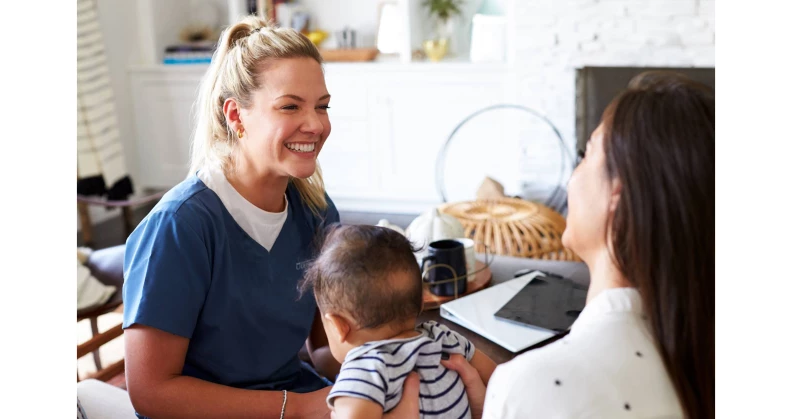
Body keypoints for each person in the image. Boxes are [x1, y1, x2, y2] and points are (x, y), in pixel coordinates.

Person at [121, 16, 418, 419]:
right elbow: (151, 392)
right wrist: (295, 408)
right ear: (236, 116)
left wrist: (395, 361)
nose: (315, 124)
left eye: (322, 106)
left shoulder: (315, 212)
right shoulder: (180, 227)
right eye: (290, 106)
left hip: (294, 396)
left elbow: (325, 349)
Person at [442, 71, 715, 419]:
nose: (575, 174)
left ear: (617, 194)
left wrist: (511, 400)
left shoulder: (531, 385)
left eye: (586, 154)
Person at [299, 225, 497, 418]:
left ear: (338, 326)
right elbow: (500, 380)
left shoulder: (363, 370)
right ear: (420, 302)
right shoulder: (444, 337)